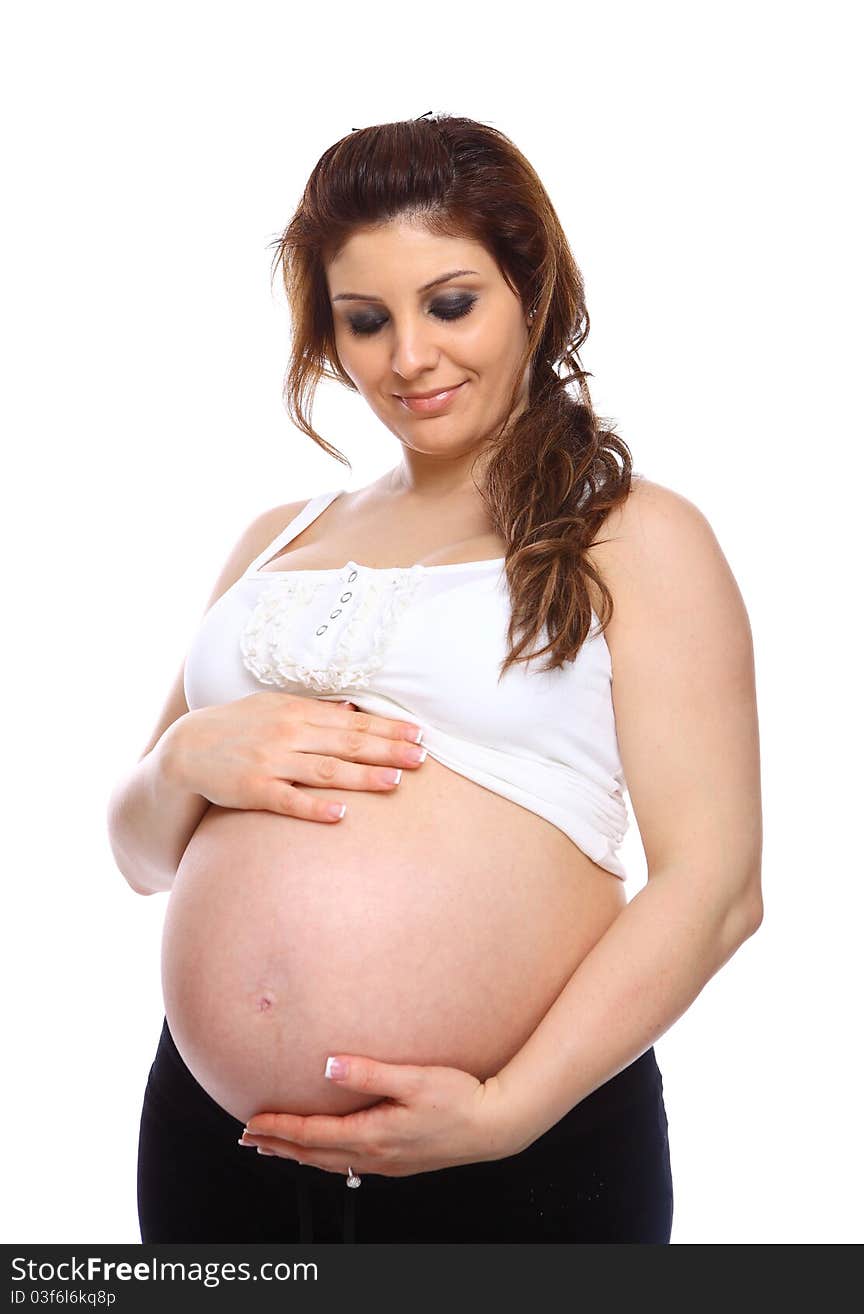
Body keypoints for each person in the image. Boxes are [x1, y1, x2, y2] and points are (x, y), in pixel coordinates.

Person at [107, 112, 763, 1244]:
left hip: (521, 1136)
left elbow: (713, 887)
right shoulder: (278, 536)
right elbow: (139, 856)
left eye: (449, 304)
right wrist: (179, 762)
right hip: (219, 1138)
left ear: (530, 290)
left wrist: (507, 1112)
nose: (408, 358)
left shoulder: (632, 535)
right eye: (366, 321)